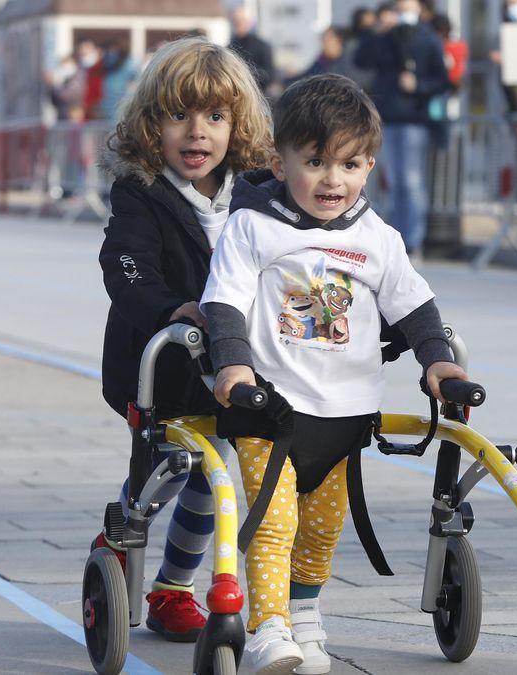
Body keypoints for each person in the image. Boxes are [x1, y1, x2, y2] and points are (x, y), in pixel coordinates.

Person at [200, 73, 468, 675]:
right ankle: (268, 628)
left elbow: (414, 305)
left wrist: (437, 360)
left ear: (370, 165)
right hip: (270, 407)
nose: (332, 180)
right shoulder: (252, 226)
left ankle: (306, 615)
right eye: (315, 162)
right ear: (278, 160)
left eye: (348, 165)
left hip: (345, 412)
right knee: (273, 525)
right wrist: (233, 364)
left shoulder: (376, 237)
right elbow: (225, 301)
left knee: (321, 531)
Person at [92, 37, 272, 643]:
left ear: (236, 125)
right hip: (163, 367)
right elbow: (127, 266)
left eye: (216, 118)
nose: (198, 134)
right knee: (170, 466)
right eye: (180, 116)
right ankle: (125, 525)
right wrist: (175, 307)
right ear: (152, 123)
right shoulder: (141, 192)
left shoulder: (256, 194)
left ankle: (172, 588)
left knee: (212, 471)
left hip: (235, 367)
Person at [355, 0, 450, 256]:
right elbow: (361, 59)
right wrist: (377, 31)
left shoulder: (428, 38)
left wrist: (417, 86)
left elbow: (442, 80)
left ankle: (413, 240)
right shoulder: (385, 37)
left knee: (410, 181)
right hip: (385, 117)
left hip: (412, 120)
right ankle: (395, 239)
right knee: (392, 182)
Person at [230, 6, 276, 94]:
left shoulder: (262, 46)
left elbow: (270, 75)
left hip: (257, 95)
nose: (238, 24)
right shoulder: (229, 47)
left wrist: (243, 74)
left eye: (241, 21)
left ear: (249, 23)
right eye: (235, 21)